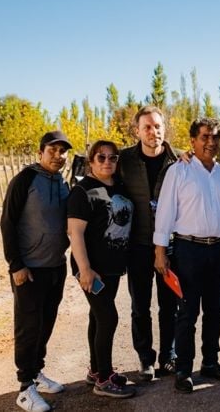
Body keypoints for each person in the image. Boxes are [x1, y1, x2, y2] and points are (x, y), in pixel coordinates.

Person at [153, 118, 220, 393]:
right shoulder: (179, 171)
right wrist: (160, 252)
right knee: (188, 312)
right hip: (188, 250)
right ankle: (183, 369)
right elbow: (164, 214)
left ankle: (211, 363)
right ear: (192, 141)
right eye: (204, 137)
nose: (210, 143)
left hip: (219, 249)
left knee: (216, 310)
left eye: (214, 137)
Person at [0, 130, 72, 412]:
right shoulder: (25, 180)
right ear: (41, 152)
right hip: (28, 269)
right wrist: (15, 265)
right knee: (28, 328)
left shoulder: (63, 183)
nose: (58, 156)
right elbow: (7, 223)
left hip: (55, 266)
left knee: (46, 324)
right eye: (53, 150)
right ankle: (24, 388)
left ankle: (36, 373)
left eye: (62, 151)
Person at [67, 140, 136, 399]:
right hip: (92, 269)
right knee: (108, 317)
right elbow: (75, 232)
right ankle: (104, 380)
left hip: (113, 267)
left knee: (97, 317)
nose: (107, 162)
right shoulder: (82, 191)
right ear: (91, 161)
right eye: (101, 157)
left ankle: (96, 371)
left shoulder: (119, 186)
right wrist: (84, 269)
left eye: (112, 157)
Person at [117, 105, 180, 380]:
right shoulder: (124, 161)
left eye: (157, 126)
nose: (153, 131)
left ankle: (169, 355)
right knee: (140, 306)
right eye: (147, 127)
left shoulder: (178, 161)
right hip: (138, 246)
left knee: (170, 305)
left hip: (170, 245)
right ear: (137, 131)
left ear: (163, 128)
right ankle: (146, 358)